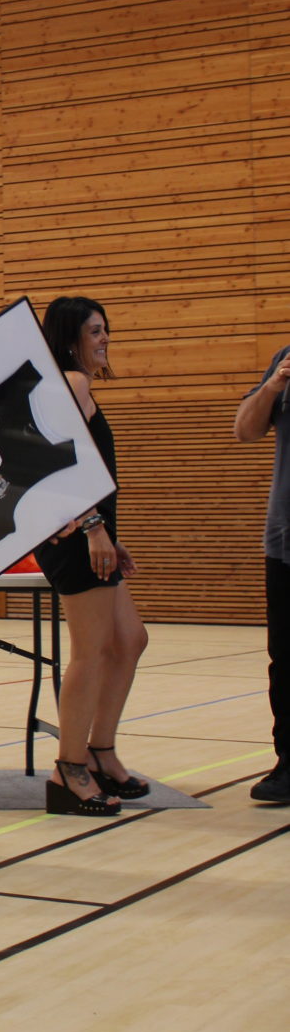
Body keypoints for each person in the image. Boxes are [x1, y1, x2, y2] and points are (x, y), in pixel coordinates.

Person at [32, 297, 149, 815]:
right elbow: (58, 461)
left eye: (106, 330)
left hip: (93, 531)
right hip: (76, 536)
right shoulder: (72, 383)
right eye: (95, 331)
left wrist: (106, 533)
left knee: (130, 639)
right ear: (70, 338)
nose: (105, 340)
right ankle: (69, 767)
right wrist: (94, 527)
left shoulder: (78, 385)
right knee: (91, 652)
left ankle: (100, 751)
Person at [233, 339, 290, 803]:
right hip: (285, 541)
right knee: (285, 661)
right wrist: (274, 384)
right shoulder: (284, 360)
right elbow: (245, 430)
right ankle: (288, 763)